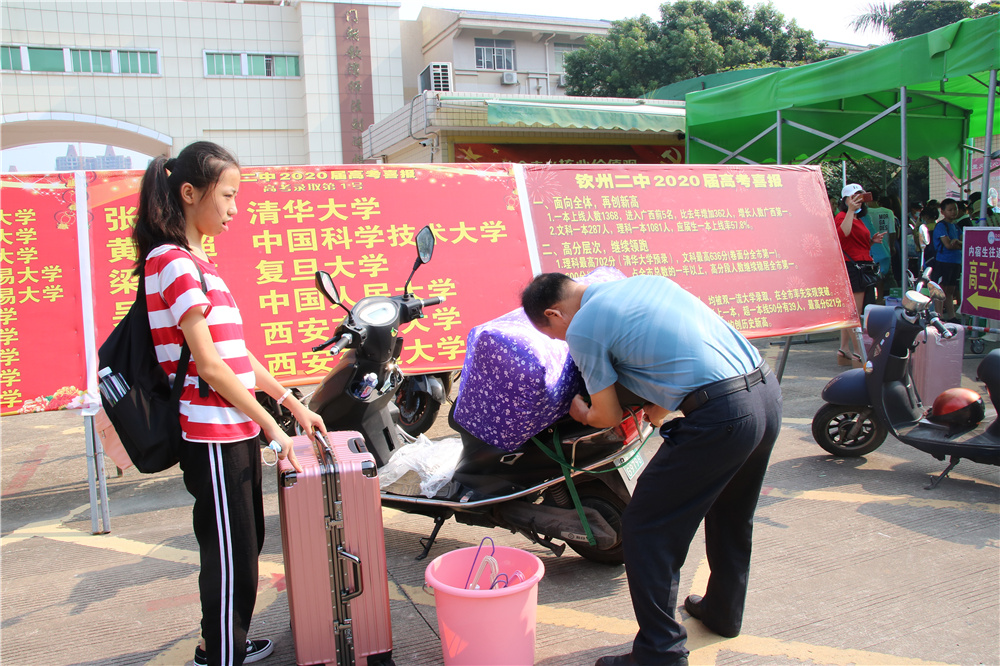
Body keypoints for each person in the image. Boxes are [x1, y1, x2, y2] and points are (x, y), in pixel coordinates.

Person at [131, 141, 328, 666]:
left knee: (244, 542)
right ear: (190, 192)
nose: (234, 209)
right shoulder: (171, 262)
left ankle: (220, 642)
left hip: (231, 428)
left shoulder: (200, 263)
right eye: (227, 195)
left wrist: (290, 401)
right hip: (210, 431)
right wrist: (274, 429)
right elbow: (211, 367)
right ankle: (221, 654)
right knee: (231, 552)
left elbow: (237, 356)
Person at [521, 273, 783, 666]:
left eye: (555, 334)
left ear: (554, 313)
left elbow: (606, 415)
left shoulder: (584, 327)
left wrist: (580, 410)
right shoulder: (646, 283)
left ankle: (660, 653)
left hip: (722, 416)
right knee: (732, 513)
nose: (563, 342)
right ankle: (722, 613)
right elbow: (667, 375)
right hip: (765, 393)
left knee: (646, 528)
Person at [835, 184, 885, 365]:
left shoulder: (857, 218)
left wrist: (872, 241)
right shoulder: (843, 216)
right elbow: (843, 235)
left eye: (860, 197)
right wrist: (850, 210)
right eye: (854, 197)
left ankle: (845, 349)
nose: (858, 200)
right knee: (854, 312)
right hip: (852, 268)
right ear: (846, 200)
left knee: (852, 312)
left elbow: (855, 244)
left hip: (861, 266)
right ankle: (858, 352)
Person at [932, 198, 963, 321]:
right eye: (950, 210)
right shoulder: (941, 226)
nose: (953, 212)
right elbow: (949, 245)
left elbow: (962, 242)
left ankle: (952, 316)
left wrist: (957, 242)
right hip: (943, 262)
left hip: (956, 262)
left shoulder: (956, 226)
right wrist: (957, 243)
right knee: (941, 290)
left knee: (950, 290)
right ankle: (938, 316)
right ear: (943, 211)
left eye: (955, 209)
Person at [863, 190, 898, 293]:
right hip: (885, 249)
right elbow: (892, 231)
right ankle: (883, 297)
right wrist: (892, 246)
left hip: (870, 249)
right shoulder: (888, 212)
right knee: (884, 275)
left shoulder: (864, 213)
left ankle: (873, 298)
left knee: (869, 275)